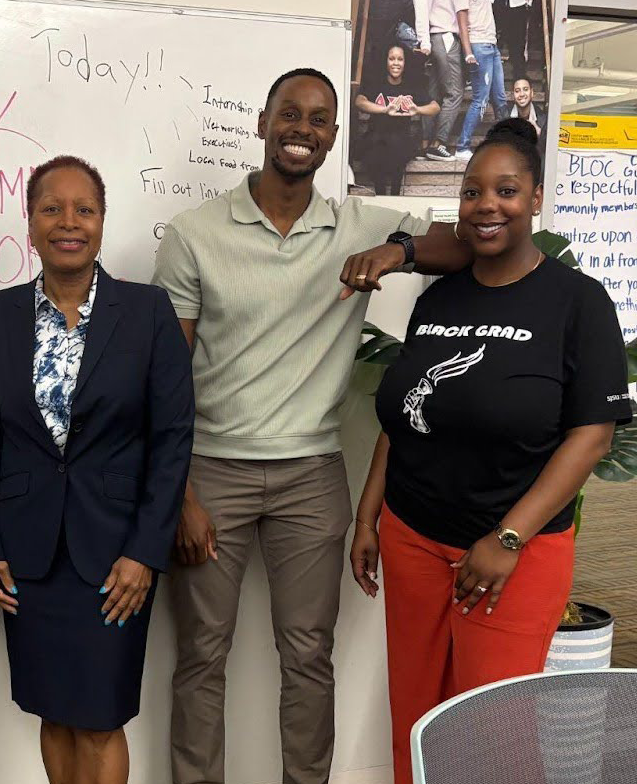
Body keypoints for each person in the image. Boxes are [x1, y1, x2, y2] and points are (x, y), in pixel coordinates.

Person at [153, 68, 473, 784]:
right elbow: (165, 381)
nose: (302, 128)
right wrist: (180, 494)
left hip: (310, 475)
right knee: (203, 653)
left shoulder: (356, 223)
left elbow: (465, 244)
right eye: (289, 115)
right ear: (263, 122)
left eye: (319, 119)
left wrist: (399, 251)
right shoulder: (194, 234)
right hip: (213, 470)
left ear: (334, 137)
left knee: (307, 655)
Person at [349, 119, 630, 784]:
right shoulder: (439, 297)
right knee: (415, 724)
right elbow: (407, 413)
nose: (487, 205)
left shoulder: (578, 303)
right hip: (414, 537)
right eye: (473, 192)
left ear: (535, 197)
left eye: (506, 190)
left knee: (494, 739)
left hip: (515, 555)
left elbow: (593, 433)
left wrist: (507, 538)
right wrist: (369, 516)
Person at [0, 155, 193, 784]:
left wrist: (145, 552)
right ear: (29, 223)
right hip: (28, 554)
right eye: (51, 208)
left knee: (98, 717)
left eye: (83, 209)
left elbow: (172, 439)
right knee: (54, 712)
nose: (68, 222)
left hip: (114, 556)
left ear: (102, 221)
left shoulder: (147, 312)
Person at [356, 43, 441, 194]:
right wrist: (384, 110)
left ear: (405, 63)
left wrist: (417, 110)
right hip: (377, 138)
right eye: (392, 59)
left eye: (400, 59)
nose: (396, 63)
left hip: (400, 140)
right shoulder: (377, 82)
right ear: (386, 61)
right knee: (377, 144)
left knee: (398, 142)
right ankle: (381, 193)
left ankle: (395, 192)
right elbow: (360, 101)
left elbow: (435, 107)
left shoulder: (411, 85)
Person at [454, 0, 509, 161]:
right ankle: (462, 146)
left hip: (492, 45)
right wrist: (468, 52)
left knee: (500, 98)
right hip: (478, 45)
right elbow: (462, 23)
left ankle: (506, 145)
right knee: (481, 99)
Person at [419, 0, 472, 161]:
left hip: (437, 37)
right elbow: (421, 7)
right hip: (446, 36)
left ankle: (425, 145)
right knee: (455, 93)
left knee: (433, 94)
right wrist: (423, 40)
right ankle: (438, 144)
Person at [493, 0, 534, 82]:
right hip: (498, 5)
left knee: (517, 41)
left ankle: (519, 74)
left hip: (518, 6)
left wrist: (529, 3)